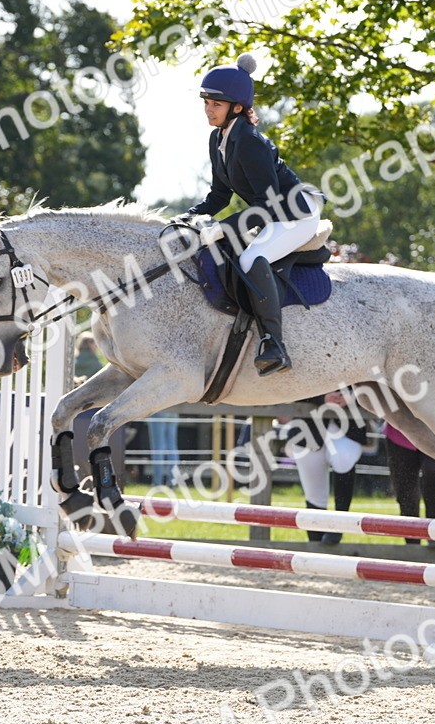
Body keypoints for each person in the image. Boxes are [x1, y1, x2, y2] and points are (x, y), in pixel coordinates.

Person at [178, 53, 323, 376]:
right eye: (206, 103)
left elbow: (268, 202)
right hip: (274, 212)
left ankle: (274, 343)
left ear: (238, 107)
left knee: (250, 259)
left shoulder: (250, 142)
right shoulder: (218, 139)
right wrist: (187, 218)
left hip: (296, 212)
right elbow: (219, 195)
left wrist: (225, 228)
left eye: (216, 104)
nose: (208, 110)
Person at [285, 391, 372, 545]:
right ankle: (315, 544)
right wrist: (321, 397)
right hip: (308, 428)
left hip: (349, 428)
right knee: (314, 494)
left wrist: (352, 396)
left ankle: (340, 524)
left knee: (343, 458)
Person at [384, 422, 435, 548]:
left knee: (433, 470)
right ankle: (412, 542)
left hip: (433, 432)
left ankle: (433, 528)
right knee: (406, 493)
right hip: (399, 433)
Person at [148, 412, 180, 487]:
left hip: (159, 410)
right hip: (173, 410)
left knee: (158, 447)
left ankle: (157, 483)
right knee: (172, 447)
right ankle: (172, 481)